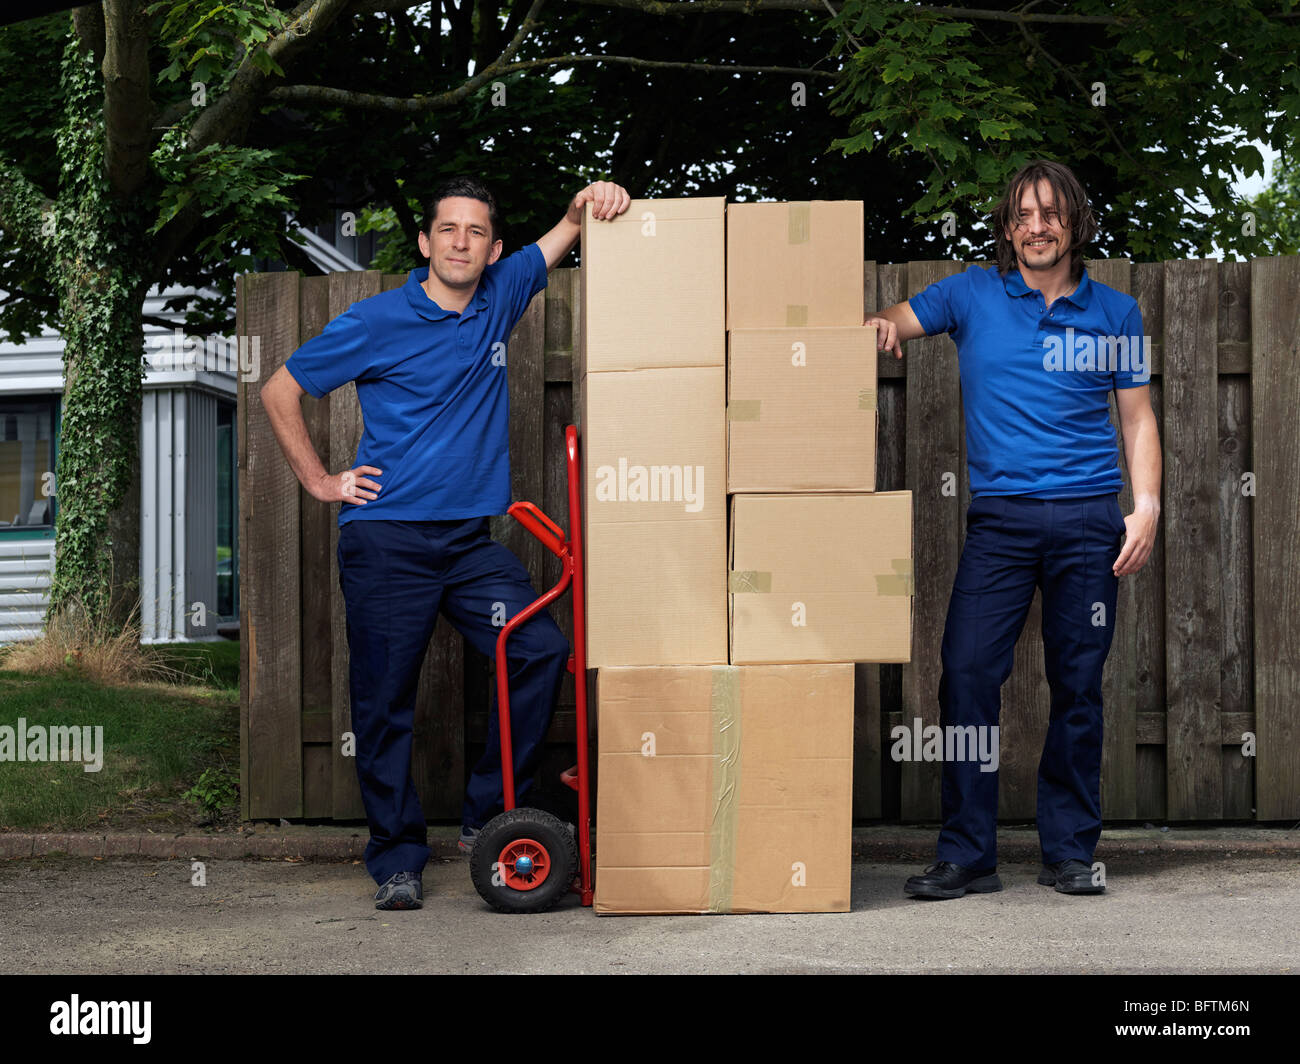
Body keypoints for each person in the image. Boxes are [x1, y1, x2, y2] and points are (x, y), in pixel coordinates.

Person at [261, 175, 631, 910]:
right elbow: (279, 390)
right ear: (427, 243)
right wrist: (320, 481)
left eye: (477, 233)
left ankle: (486, 816)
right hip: (387, 542)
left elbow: (568, 227)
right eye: (448, 230)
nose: (462, 242)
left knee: (538, 650)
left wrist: (594, 198)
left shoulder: (501, 295)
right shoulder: (374, 321)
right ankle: (397, 857)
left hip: (468, 547)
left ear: (492, 249)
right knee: (384, 701)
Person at [864, 159, 1161, 899]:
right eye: (1024, 215)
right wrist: (879, 326)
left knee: (1078, 685)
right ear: (1006, 227)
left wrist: (1147, 504)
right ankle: (968, 852)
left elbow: (1138, 417)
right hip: (999, 521)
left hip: (1092, 519)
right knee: (965, 674)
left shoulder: (1116, 314)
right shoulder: (969, 294)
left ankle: (1069, 850)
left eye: (1051, 213)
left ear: (1074, 223)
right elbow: (894, 320)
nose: (1037, 226)